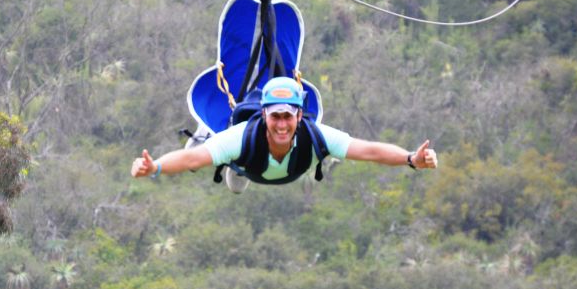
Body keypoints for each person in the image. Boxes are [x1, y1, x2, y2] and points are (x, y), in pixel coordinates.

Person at [130, 76, 437, 189]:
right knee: (224, 163)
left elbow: (368, 150)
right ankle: (234, 169)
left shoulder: (314, 134)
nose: (281, 124)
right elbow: (193, 159)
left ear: (299, 116)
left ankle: (242, 170)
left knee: (326, 149)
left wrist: (411, 159)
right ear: (263, 114)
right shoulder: (243, 136)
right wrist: (154, 167)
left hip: (294, 166)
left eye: (287, 117)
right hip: (248, 163)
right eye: (274, 116)